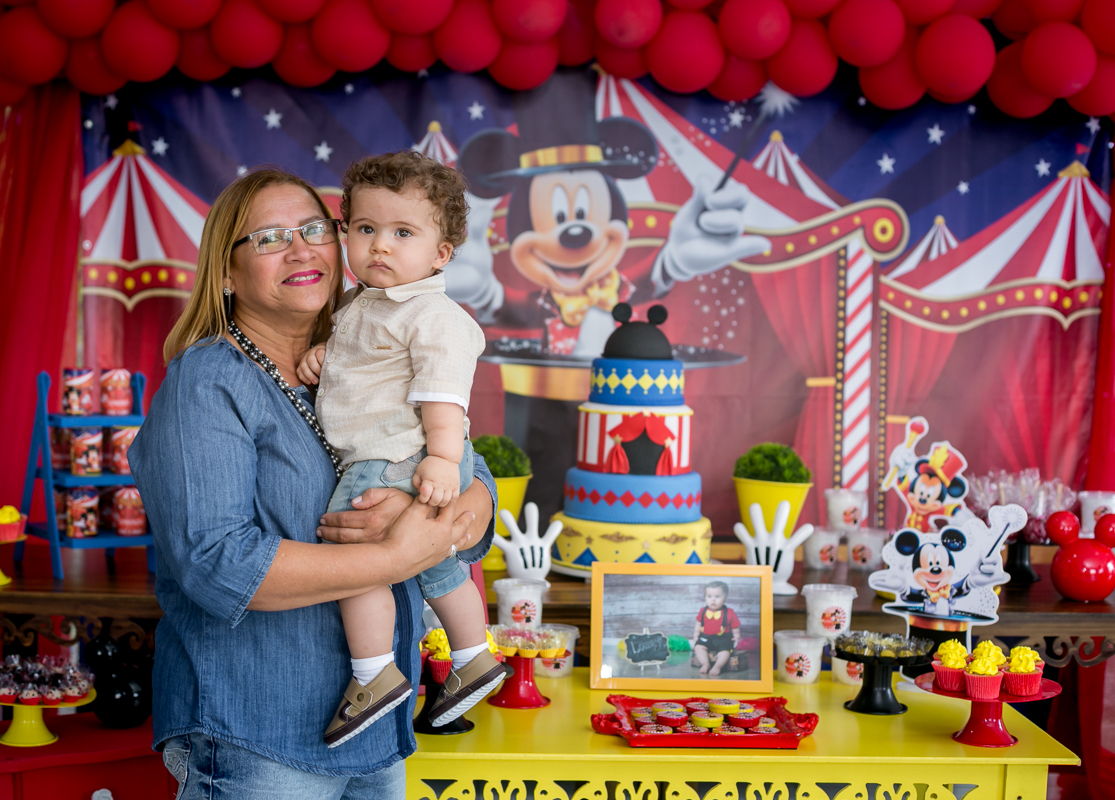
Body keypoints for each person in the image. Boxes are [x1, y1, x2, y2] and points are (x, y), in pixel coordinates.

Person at [129, 167, 497, 799]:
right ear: (225, 272)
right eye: (269, 238)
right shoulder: (208, 383)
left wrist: (444, 510)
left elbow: (471, 472)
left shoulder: (367, 343)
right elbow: (218, 563)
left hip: (378, 732)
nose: (300, 249)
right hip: (257, 738)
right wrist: (396, 554)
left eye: (312, 228)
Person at [297, 152, 508, 747]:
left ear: (441, 254)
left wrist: (443, 459)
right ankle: (473, 655)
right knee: (438, 564)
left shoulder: (432, 315)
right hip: (392, 453)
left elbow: (443, 395)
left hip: (393, 456)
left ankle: (373, 673)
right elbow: (365, 370)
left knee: (356, 560)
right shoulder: (365, 305)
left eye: (402, 233)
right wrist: (324, 361)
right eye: (365, 230)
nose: (380, 247)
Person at [692, 581, 741, 677]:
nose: (713, 600)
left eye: (717, 597)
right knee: (698, 647)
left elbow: (735, 627)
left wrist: (736, 637)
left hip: (722, 639)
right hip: (705, 637)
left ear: (725, 599)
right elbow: (698, 624)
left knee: (725, 651)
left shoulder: (729, 612)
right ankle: (705, 664)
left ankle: (717, 666)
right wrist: (696, 635)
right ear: (705, 597)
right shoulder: (703, 611)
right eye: (709, 596)